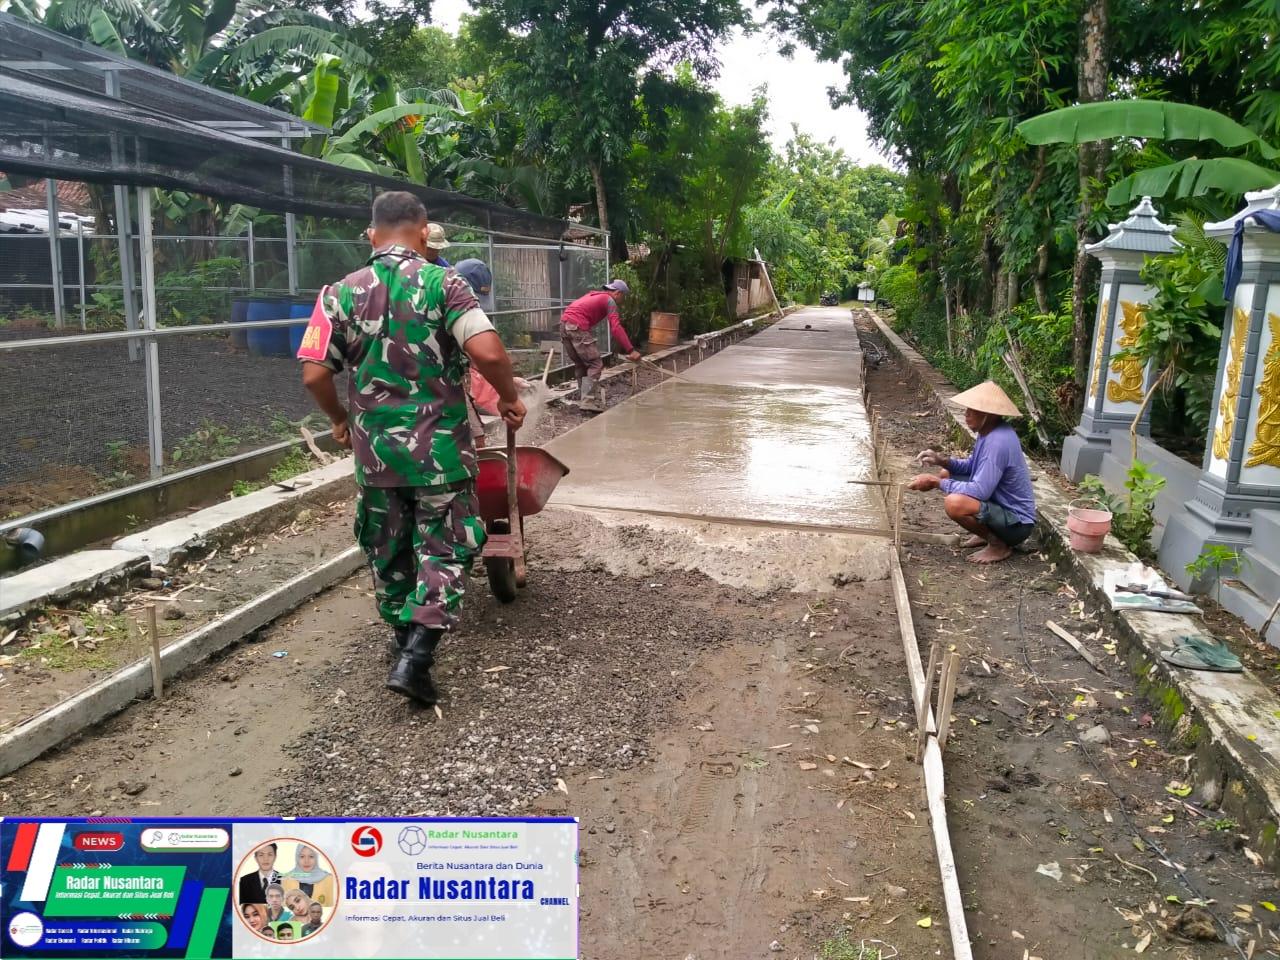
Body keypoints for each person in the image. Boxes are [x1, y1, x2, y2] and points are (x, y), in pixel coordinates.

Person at [298, 191, 526, 704]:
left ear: (371, 235)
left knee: (390, 551)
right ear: (424, 233)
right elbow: (489, 353)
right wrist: (510, 398)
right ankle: (416, 657)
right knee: (446, 547)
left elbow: (314, 373)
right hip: (440, 456)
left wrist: (339, 419)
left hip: (376, 456)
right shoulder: (446, 283)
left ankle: (403, 643)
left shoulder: (337, 294)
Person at [907, 381, 1037, 564]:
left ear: (988, 415)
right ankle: (986, 533)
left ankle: (998, 544)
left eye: (973, 410)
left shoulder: (998, 442)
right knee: (945, 473)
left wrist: (935, 483)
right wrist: (941, 460)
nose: (966, 414)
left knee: (954, 503)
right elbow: (971, 466)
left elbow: (980, 491)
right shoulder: (989, 432)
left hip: (1017, 523)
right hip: (1000, 504)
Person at [559, 279, 642, 413]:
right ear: (618, 293)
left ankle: (583, 398)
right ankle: (587, 401)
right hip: (576, 325)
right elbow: (616, 327)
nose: (622, 300)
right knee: (595, 363)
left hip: (564, 325)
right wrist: (631, 350)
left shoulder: (594, 295)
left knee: (581, 364)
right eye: (623, 297)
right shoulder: (610, 300)